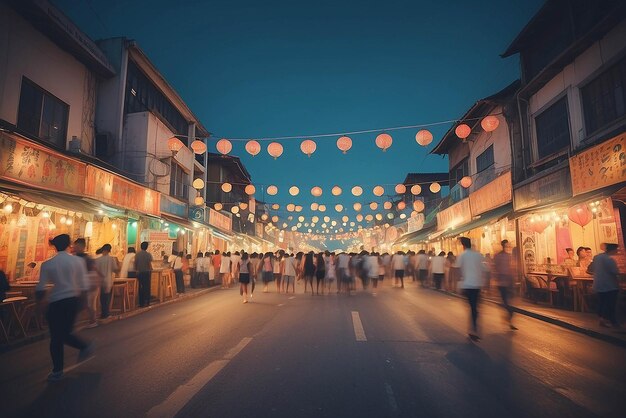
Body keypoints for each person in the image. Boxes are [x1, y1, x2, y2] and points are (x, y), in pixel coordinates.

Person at [36, 234, 93, 382]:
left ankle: (57, 370)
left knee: (56, 336)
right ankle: (83, 346)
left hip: (55, 302)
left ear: (55, 246)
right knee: (65, 332)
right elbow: (84, 284)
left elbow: (41, 288)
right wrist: (84, 302)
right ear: (69, 245)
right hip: (72, 301)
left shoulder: (47, 264)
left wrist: (40, 305)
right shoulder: (77, 261)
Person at [456, 237, 486, 341]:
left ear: (463, 245)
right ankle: (474, 328)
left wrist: (458, 283)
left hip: (467, 285)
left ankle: (473, 329)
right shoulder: (477, 255)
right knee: (474, 307)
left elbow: (457, 270)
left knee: (472, 307)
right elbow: (484, 269)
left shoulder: (462, 256)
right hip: (477, 284)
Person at [590, 243, 620, 328]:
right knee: (610, 303)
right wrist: (618, 284)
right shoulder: (609, 259)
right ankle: (611, 321)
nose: (617, 251)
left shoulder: (597, 257)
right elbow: (614, 272)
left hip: (598, 284)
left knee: (602, 302)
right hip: (609, 285)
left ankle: (602, 319)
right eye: (616, 250)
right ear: (613, 250)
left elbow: (591, 269)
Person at [73, 238, 99, 328]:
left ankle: (93, 320)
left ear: (82, 247)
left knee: (88, 304)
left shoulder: (88, 258)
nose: (75, 248)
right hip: (78, 284)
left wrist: (94, 283)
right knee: (84, 304)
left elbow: (93, 271)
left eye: (77, 246)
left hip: (88, 284)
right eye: (74, 246)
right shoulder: (74, 257)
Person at [493, 240, 517, 330]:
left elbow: (511, 268)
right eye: (507, 245)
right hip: (502, 282)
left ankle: (509, 318)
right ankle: (509, 319)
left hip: (509, 281)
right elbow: (495, 268)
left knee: (509, 301)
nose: (508, 247)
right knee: (506, 302)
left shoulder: (508, 256)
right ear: (503, 245)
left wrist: (513, 279)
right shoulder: (498, 256)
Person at [94, 244, 119, 319]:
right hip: (108, 280)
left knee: (102, 297)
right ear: (109, 250)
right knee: (107, 297)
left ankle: (103, 313)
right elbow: (115, 269)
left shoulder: (98, 260)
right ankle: (106, 313)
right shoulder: (111, 259)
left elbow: (95, 270)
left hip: (101, 281)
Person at [135, 241, 153, 307]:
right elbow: (149, 264)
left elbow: (135, 263)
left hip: (139, 273)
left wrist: (136, 270)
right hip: (146, 272)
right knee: (147, 287)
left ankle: (141, 302)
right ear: (147, 247)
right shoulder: (148, 254)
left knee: (140, 287)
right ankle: (147, 301)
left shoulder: (137, 254)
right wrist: (151, 268)